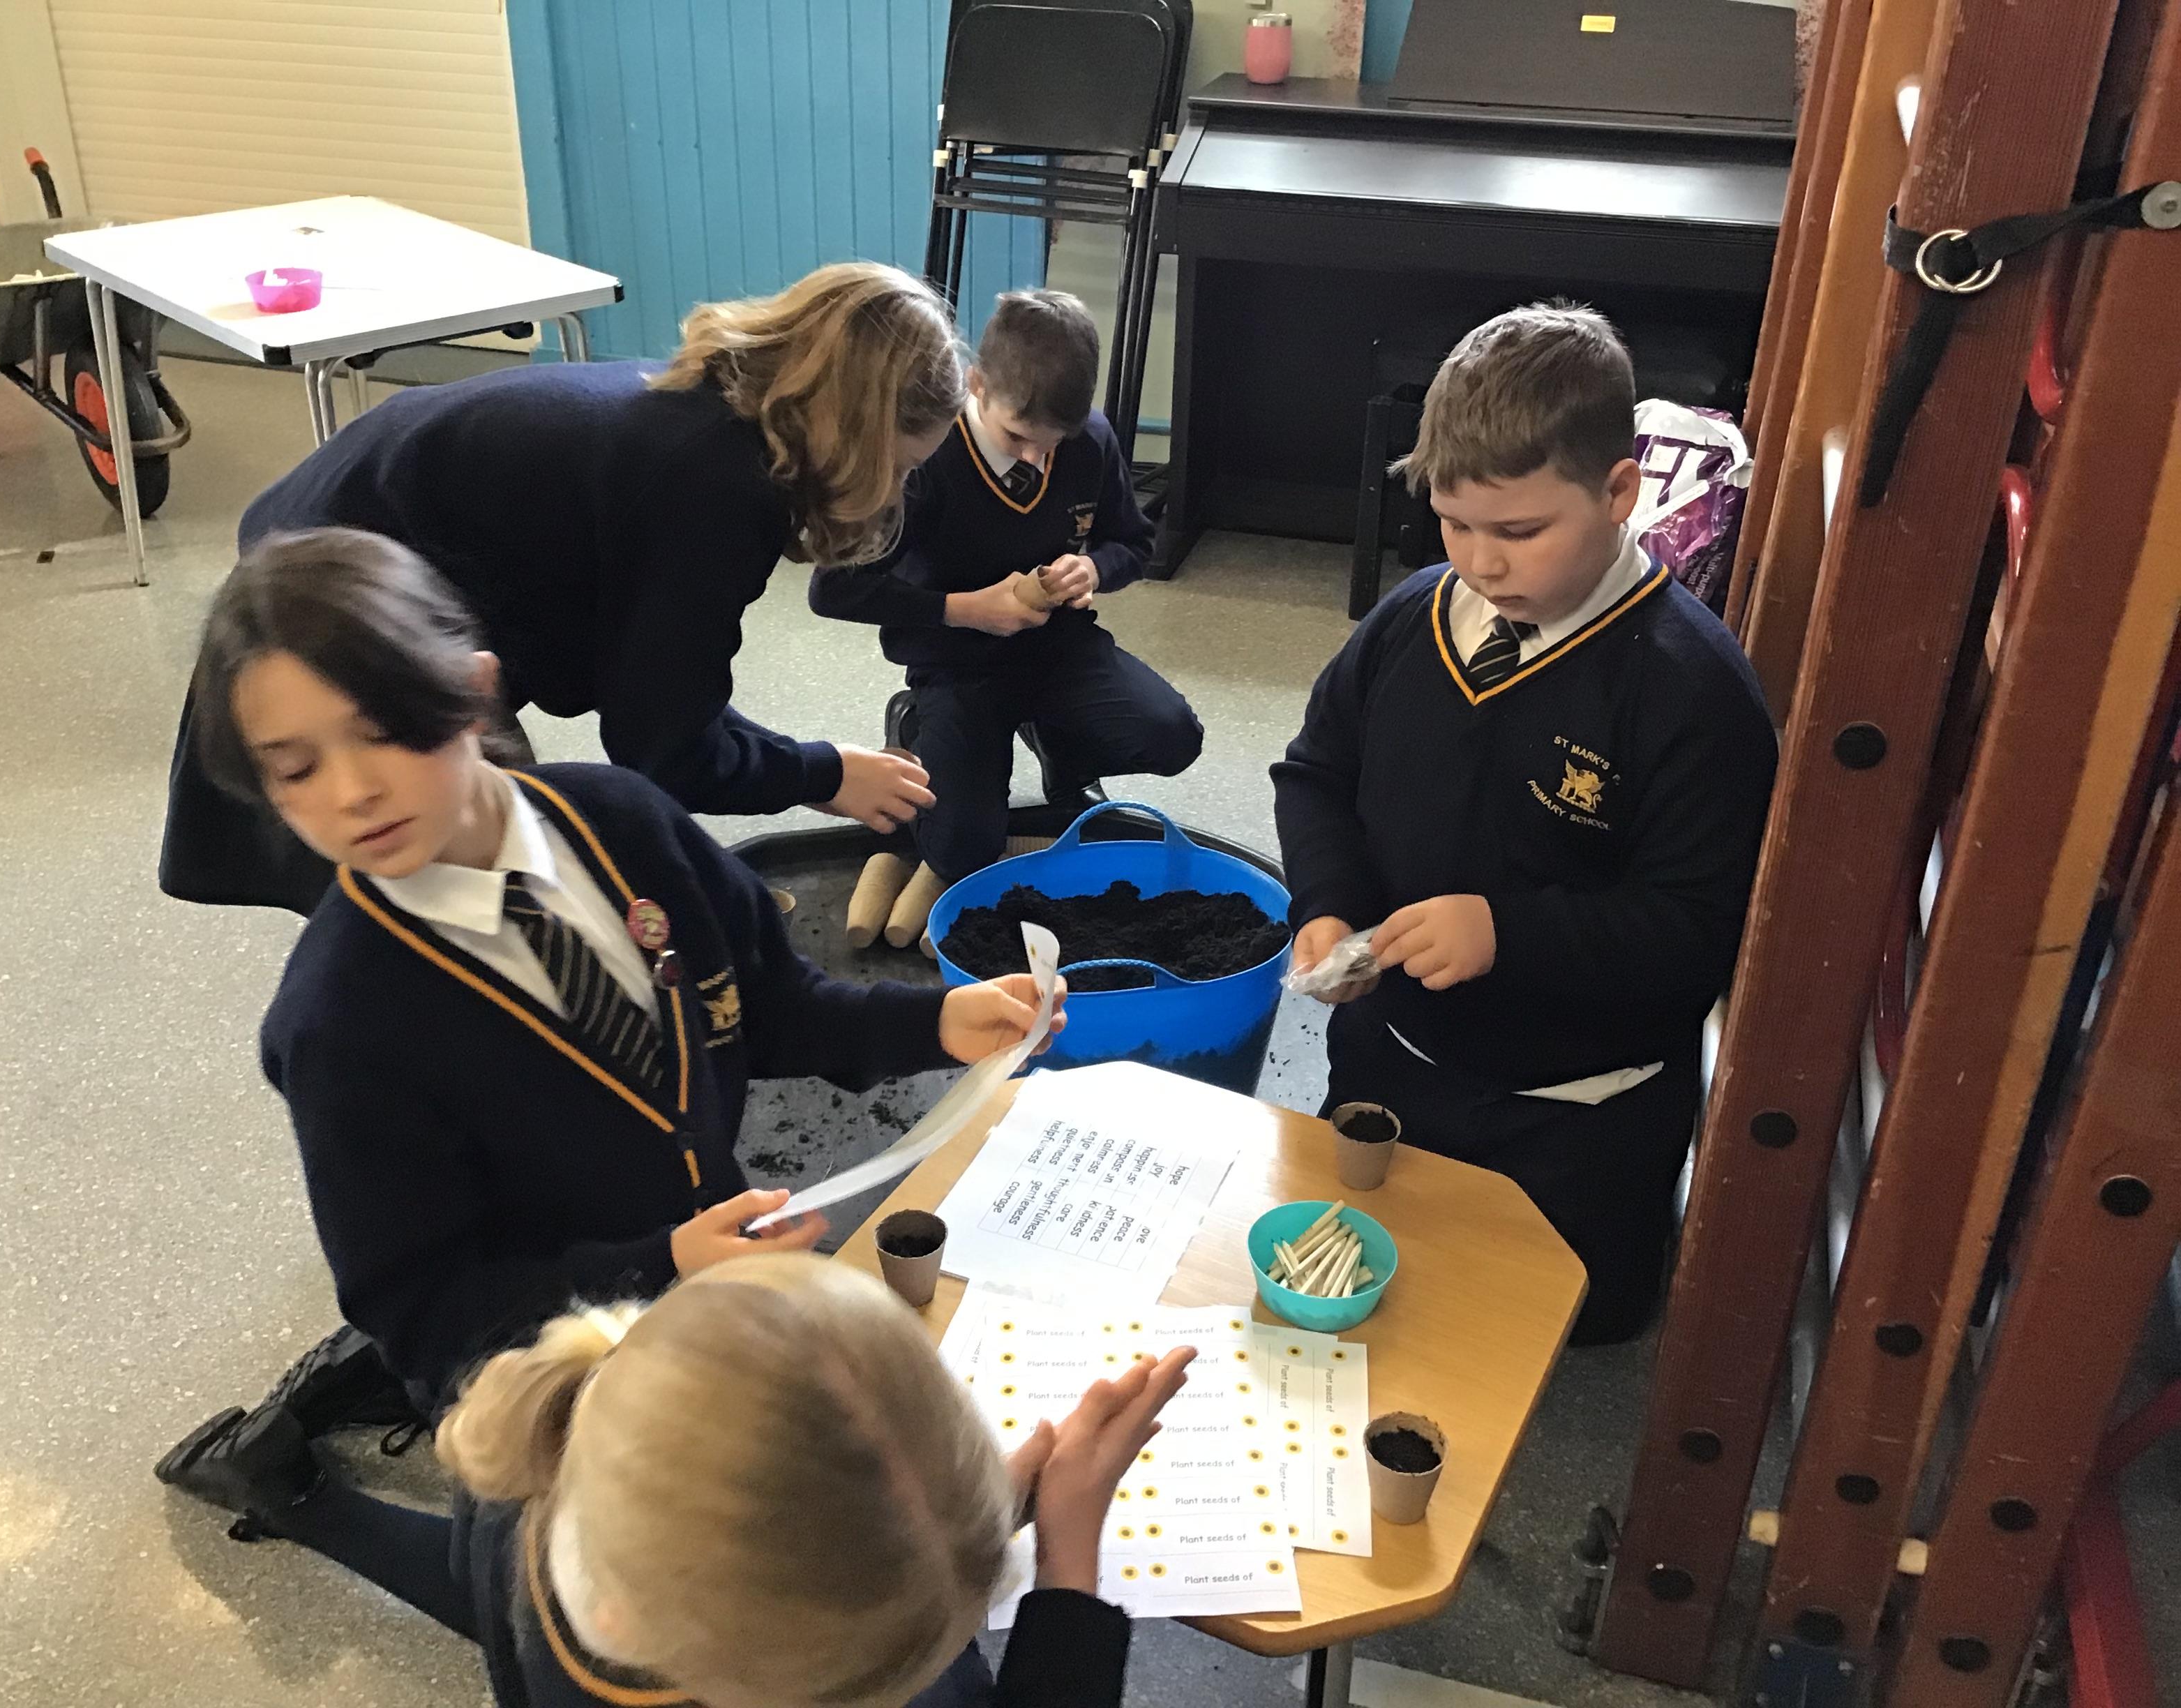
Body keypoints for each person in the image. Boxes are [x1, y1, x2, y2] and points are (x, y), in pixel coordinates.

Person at [154, 529, 1064, 1497]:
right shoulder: (341, 1026)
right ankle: (325, 1503)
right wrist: (659, 1267)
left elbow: (766, 1006)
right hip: (553, 1373)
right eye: (295, 771)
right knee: (668, 1557)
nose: (351, 792)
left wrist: (932, 1024)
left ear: (473, 689)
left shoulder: (624, 822)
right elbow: (425, 1312)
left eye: (383, 729)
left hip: (704, 1276)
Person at [1272, 304, 1777, 1345]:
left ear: (1619, 494)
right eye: (1454, 525)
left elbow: (1696, 931)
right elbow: (1316, 774)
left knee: (1553, 1329)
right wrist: (1329, 905)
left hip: (1576, 1109)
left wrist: (1509, 933)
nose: (1482, 564)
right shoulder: (1410, 618)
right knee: (1367, 1298)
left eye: (1519, 533)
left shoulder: (1693, 693)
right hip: (1394, 1059)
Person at [160, 262, 957, 915]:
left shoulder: (719, 407)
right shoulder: (719, 491)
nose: (895, 493)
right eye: (903, 467)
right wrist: (818, 774)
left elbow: (658, 685)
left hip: (344, 514)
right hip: (347, 584)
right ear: (858, 436)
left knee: (497, 850)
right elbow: (666, 750)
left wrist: (814, 766)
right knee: (446, 863)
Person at [163, 1254, 1192, 1708]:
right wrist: (1067, 1566)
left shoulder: (575, 1444)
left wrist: (944, 1518)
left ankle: (294, 1494)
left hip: (535, 1615)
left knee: (495, 1591)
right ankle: (297, 1496)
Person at [809, 289, 1201, 890]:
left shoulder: (1089, 438)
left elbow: (1133, 544)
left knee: (1173, 737)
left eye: (1054, 442)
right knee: (962, 852)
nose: (1037, 456)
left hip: (1058, 648)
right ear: (976, 385)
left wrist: (1095, 570)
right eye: (1018, 438)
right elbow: (833, 590)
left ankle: (1060, 746)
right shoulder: (927, 457)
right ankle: (915, 724)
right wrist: (963, 610)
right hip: (957, 664)